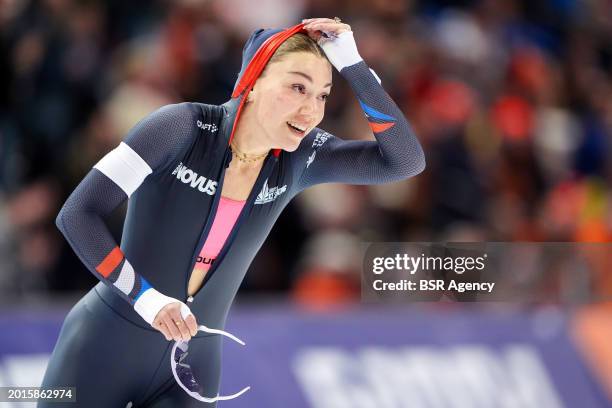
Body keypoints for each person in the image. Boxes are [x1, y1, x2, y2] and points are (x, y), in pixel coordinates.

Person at [40, 18, 425, 407]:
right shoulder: (179, 128)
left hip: (193, 369)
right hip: (105, 345)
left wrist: (354, 66)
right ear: (253, 82)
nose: (311, 111)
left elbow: (404, 161)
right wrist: (145, 298)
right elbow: (77, 213)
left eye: (322, 95)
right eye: (297, 87)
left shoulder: (303, 157)